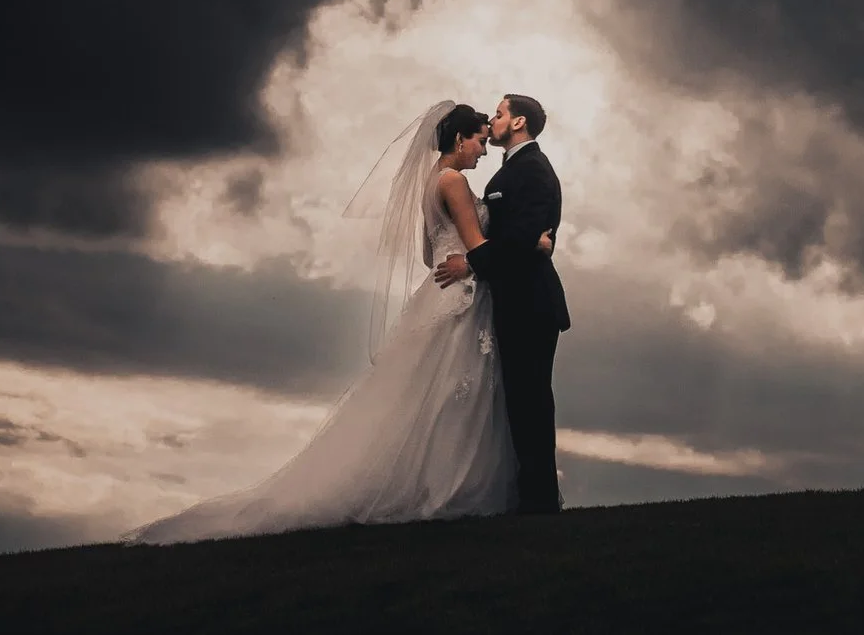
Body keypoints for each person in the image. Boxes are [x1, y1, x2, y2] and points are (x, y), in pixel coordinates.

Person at [129, 101, 552, 542]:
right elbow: (477, 246)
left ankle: (429, 483)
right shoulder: (455, 182)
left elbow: (430, 255)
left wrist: (459, 259)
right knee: (456, 396)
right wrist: (531, 244)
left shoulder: (430, 183)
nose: (482, 151)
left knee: (431, 395)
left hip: (437, 291)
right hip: (462, 296)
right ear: (460, 138)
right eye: (480, 141)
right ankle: (450, 489)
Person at [438, 93, 570, 514]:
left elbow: (521, 234)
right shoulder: (513, 169)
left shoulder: (532, 169)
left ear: (518, 123)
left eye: (498, 114)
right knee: (520, 399)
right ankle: (530, 496)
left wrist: (472, 260)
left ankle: (539, 500)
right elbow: (524, 235)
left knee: (530, 399)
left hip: (530, 303)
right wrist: (533, 241)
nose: (492, 121)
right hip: (515, 299)